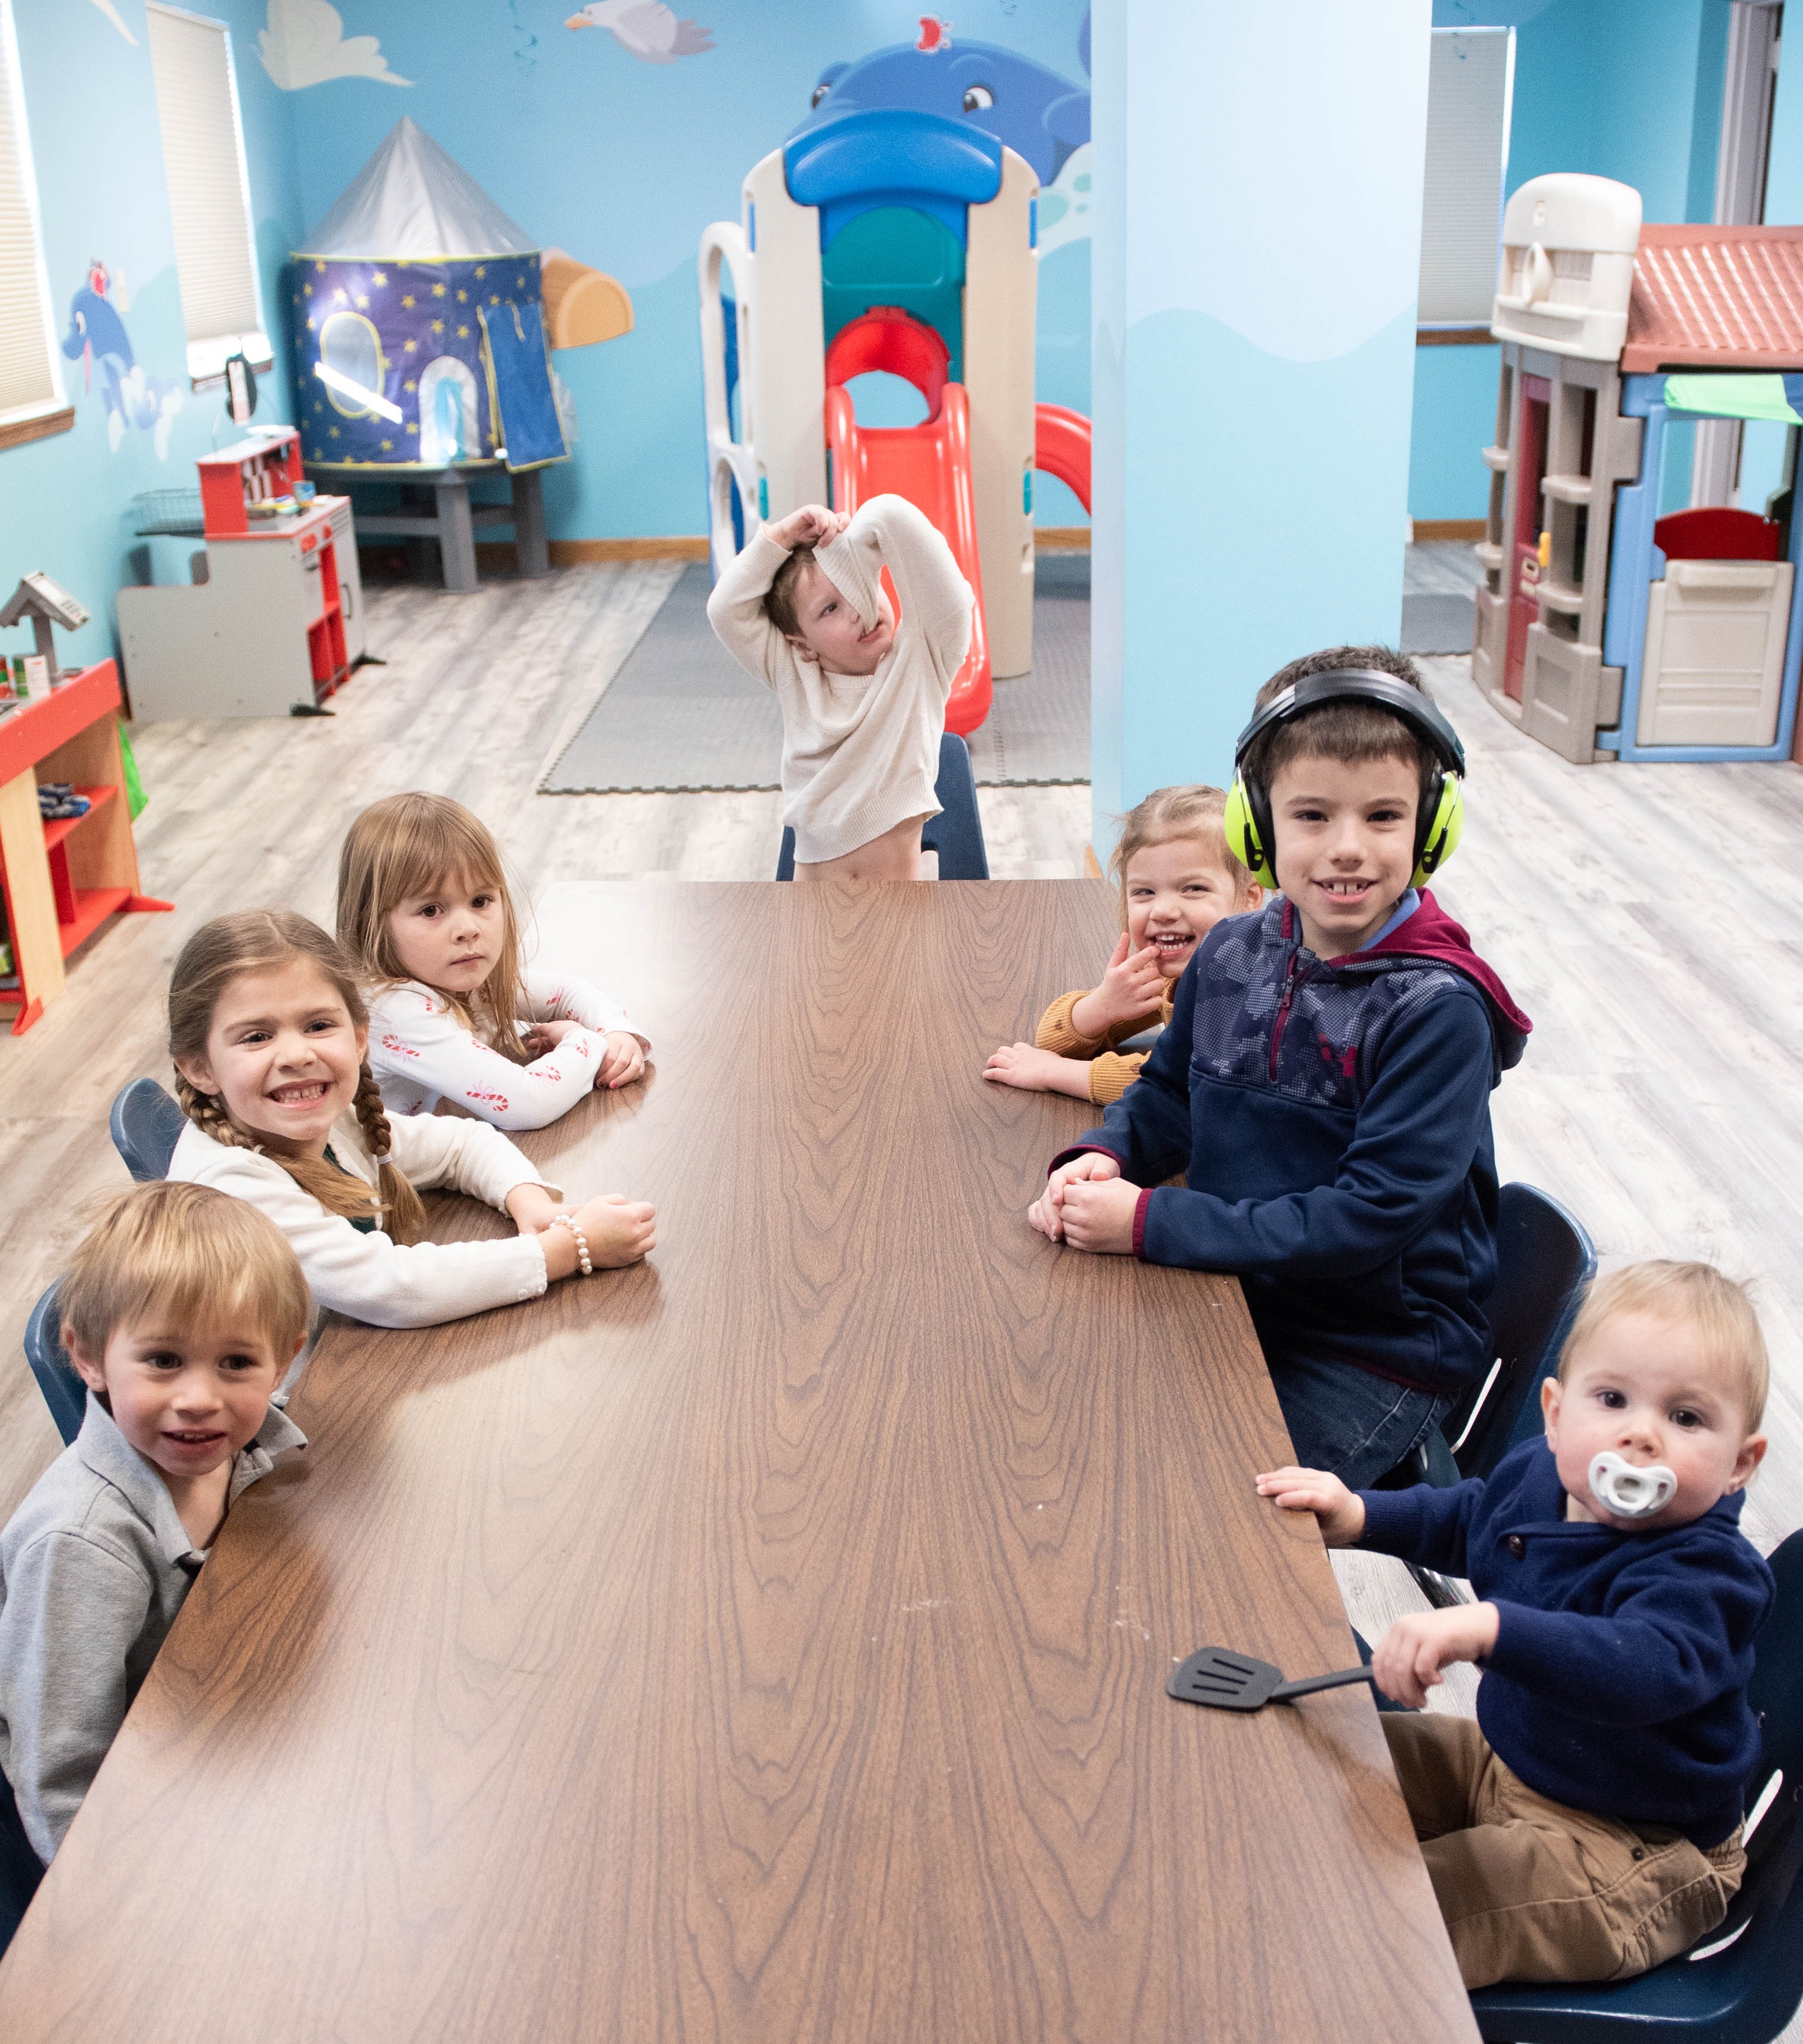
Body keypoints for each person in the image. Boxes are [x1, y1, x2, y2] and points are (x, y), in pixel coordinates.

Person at [1029, 649, 1531, 1486]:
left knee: (1201, 1509)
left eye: (1382, 816)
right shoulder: (1230, 951)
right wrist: (1107, 1155)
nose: (1346, 849)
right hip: (1242, 1291)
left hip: (1374, 1354)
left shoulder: (1437, 1013)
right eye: (1310, 815)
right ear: (1253, 825)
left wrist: (1150, 1223)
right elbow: (1169, 1097)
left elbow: (1365, 1220)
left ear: (1431, 825)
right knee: (1076, 1429)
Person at [1257, 1261, 1775, 1989]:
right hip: (1512, 1761)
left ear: (1739, 1465)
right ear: (1557, 1414)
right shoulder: (1544, 1475)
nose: (1639, 1436)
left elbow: (1639, 1669)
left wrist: (1491, 1627)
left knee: (1386, 1912)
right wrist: (1361, 1514)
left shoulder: (1709, 1574)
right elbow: (1472, 1517)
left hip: (1631, 1847)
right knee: (1307, 1763)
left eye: (1685, 1418)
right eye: (1612, 1398)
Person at [0, 1182, 310, 1860]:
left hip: (213, 1727)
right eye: (164, 1361)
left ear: (282, 1361)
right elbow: (59, 1779)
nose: (199, 1399)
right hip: (130, 1832)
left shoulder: (236, 1449)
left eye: (236, 1362)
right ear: (87, 1357)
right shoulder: (82, 1545)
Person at [165, 910, 655, 1329]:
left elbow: (460, 1145)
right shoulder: (231, 1186)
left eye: (318, 1026)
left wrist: (527, 1200)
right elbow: (394, 1288)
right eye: (255, 1037)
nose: (296, 1054)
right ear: (199, 1068)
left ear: (360, 1038)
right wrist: (572, 1247)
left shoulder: (322, 1122)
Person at [337, 791, 648, 1133]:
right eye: (431, 910)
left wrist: (616, 1032)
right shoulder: (392, 1010)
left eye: (481, 901)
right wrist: (584, 1040)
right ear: (374, 924)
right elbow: (527, 1105)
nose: (468, 929)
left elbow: (567, 992)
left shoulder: (456, 975)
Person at [706, 497, 974, 882]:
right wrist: (781, 536)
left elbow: (898, 520)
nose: (858, 611)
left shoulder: (920, 665)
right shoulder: (794, 673)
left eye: (862, 584)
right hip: (813, 917)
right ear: (801, 643)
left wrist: (863, 536)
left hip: (897, 917)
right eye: (830, 609)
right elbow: (725, 610)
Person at [983, 784, 1260, 1105]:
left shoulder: (1246, 985)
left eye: (1193, 888)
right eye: (1144, 892)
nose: (1163, 911)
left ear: (1250, 897)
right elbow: (1050, 1041)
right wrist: (1103, 1005)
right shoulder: (1176, 973)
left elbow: (1179, 1081)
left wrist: (1053, 1073)